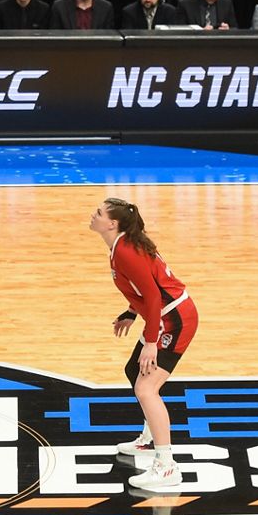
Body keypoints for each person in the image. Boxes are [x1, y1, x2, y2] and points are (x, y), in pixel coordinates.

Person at [89, 198, 198, 491]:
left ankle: (166, 467)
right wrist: (130, 312)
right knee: (132, 370)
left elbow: (152, 295)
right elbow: (143, 288)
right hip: (162, 314)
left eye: (98, 213)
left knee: (146, 387)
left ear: (112, 223)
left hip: (174, 319)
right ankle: (151, 439)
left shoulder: (125, 252)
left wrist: (151, 341)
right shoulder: (121, 246)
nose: (93, 215)